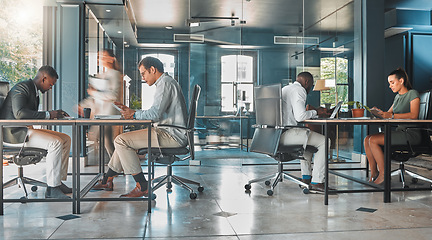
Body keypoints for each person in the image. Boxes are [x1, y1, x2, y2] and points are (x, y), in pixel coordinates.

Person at [92, 56, 188, 197]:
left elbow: (155, 114)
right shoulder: (165, 83)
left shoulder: (165, 84)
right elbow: (158, 112)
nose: (143, 77)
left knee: (121, 141)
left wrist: (134, 114)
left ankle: (142, 186)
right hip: (168, 131)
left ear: (153, 69)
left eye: (143, 73)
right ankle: (107, 180)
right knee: (122, 140)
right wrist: (132, 112)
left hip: (172, 135)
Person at [0, 65, 72, 199]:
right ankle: (52, 189)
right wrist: (49, 114)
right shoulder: (23, 87)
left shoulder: (33, 90)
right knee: (55, 143)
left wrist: (53, 114)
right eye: (50, 84)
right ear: (44, 78)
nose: (50, 88)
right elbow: (20, 113)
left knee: (65, 138)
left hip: (24, 130)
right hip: (14, 134)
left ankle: (57, 181)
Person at [364, 68, 420, 184]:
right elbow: (389, 115)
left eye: (392, 82)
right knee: (367, 139)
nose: (390, 86)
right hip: (400, 132)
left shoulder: (412, 93)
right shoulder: (397, 97)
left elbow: (414, 115)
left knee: (373, 140)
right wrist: (380, 114)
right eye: (389, 83)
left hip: (410, 134)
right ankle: (374, 172)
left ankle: (384, 174)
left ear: (401, 81)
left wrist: (392, 115)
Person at [280, 72, 330, 193]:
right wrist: (316, 112)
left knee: (309, 142)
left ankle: (306, 179)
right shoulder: (299, 90)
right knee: (325, 141)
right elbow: (300, 117)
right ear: (307, 82)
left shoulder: (285, 88)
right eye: (311, 85)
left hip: (275, 134)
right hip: (286, 133)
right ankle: (317, 182)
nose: (311, 88)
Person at [78, 49, 122, 157]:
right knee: (106, 141)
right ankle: (117, 165)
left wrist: (95, 92)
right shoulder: (101, 75)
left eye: (103, 56)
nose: (100, 59)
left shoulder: (115, 74)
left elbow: (113, 95)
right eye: (99, 56)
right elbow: (94, 96)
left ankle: (117, 165)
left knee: (99, 138)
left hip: (108, 114)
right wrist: (83, 105)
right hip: (100, 114)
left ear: (111, 59)